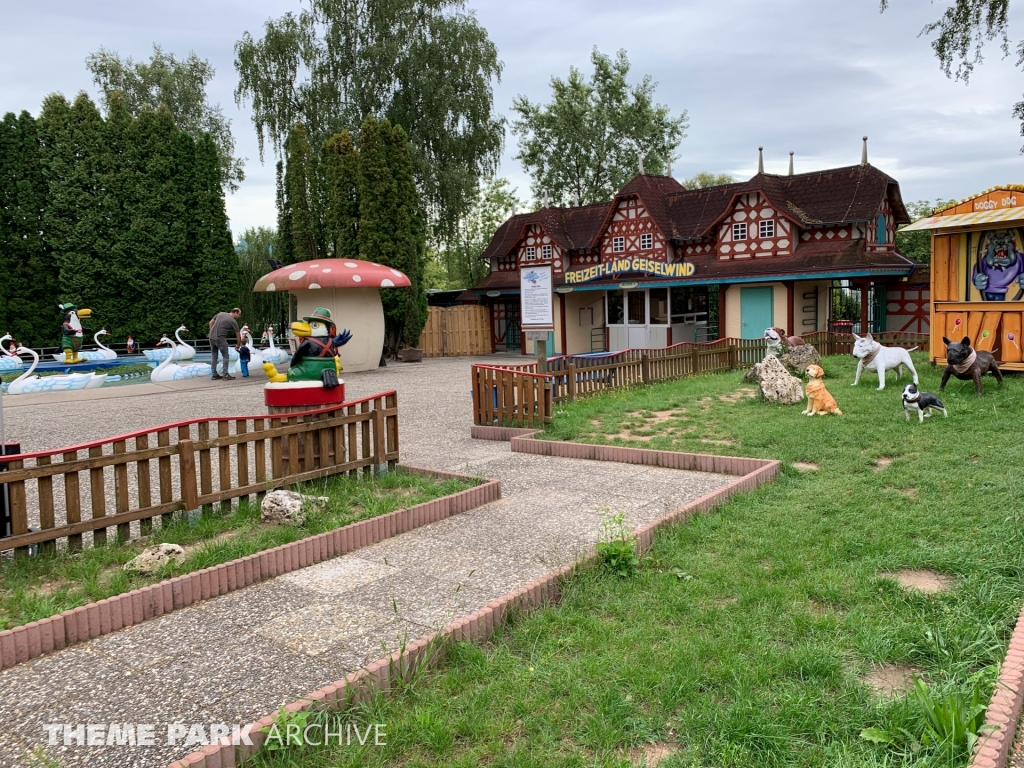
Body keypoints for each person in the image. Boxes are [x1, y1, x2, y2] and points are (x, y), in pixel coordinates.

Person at [208, 308, 242, 380]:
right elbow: (238, 335)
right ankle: (225, 375)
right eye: (239, 314)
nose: (239, 316)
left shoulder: (220, 313)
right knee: (225, 356)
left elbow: (210, 322)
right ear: (235, 313)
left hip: (211, 338)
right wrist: (238, 345)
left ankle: (214, 375)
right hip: (220, 339)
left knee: (214, 356)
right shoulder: (233, 321)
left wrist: (211, 332)